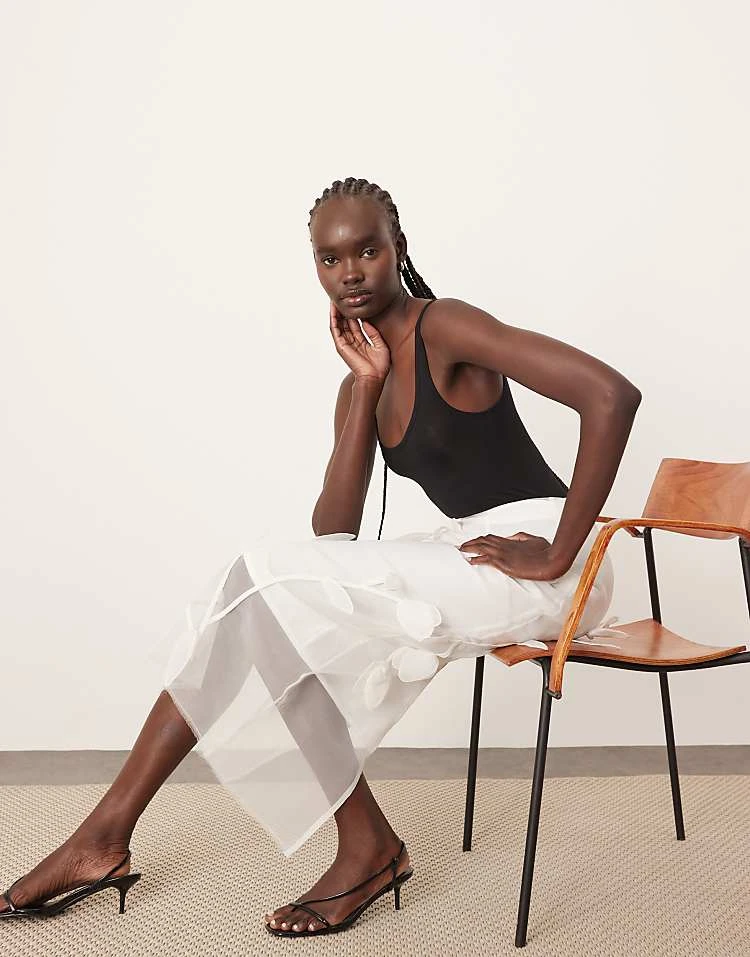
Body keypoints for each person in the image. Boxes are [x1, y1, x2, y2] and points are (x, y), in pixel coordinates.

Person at [0, 177, 641, 938]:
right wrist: (365, 389)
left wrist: (563, 551)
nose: (350, 272)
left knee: (257, 586)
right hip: (474, 553)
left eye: (367, 250)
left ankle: (110, 836)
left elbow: (611, 394)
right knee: (262, 609)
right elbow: (330, 538)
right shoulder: (358, 384)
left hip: (552, 560)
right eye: (330, 259)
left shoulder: (448, 326)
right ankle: (347, 842)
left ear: (399, 249)